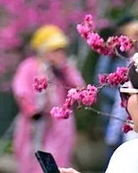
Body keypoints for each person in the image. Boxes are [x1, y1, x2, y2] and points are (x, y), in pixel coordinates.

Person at [12, 24, 85, 173]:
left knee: (58, 162)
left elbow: (79, 88)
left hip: (59, 126)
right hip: (34, 124)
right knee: (30, 160)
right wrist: (31, 110)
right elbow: (21, 91)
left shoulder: (65, 70)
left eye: (61, 50)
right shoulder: (29, 66)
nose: (59, 54)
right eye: (54, 50)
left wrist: (65, 69)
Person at [94, 16, 138, 165]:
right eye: (134, 33)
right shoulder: (114, 53)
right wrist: (119, 96)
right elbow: (100, 78)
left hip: (132, 108)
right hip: (113, 110)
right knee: (114, 146)